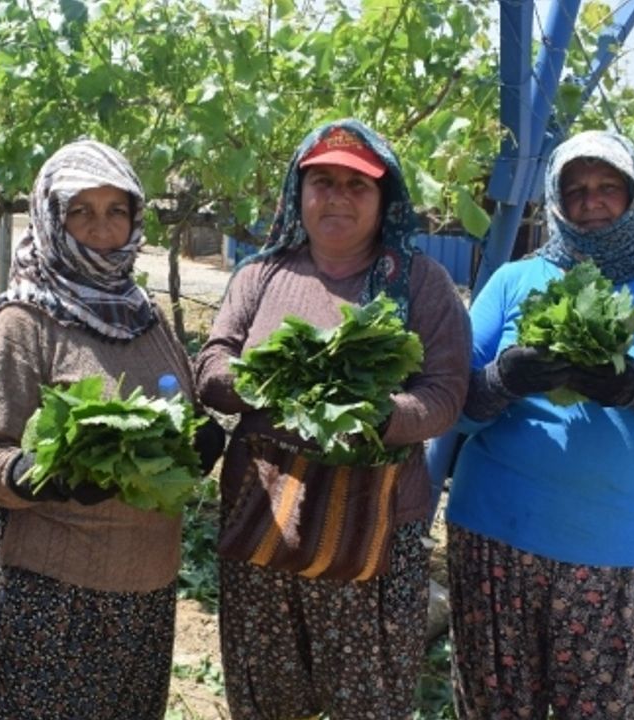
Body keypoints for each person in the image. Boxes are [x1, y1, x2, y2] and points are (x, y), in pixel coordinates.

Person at [445, 130, 634, 719]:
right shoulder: (514, 280)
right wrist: (505, 379)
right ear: (556, 200)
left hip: (627, 557)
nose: (592, 199)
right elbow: (449, 406)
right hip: (497, 541)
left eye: (609, 186)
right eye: (575, 188)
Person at [193, 118, 472, 719]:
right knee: (267, 692)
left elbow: (446, 393)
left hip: (377, 524)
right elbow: (213, 363)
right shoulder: (260, 274)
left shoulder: (420, 283)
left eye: (357, 185)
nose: (337, 197)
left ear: (384, 197)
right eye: (322, 182)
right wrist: (263, 381)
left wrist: (378, 415)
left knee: (366, 698)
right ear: (299, 193)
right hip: (265, 516)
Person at [0, 139, 224, 719]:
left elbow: (176, 404)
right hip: (51, 595)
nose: (101, 228)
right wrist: (44, 477)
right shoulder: (22, 322)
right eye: (81, 210)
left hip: (147, 584)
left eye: (116, 210)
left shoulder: (144, 313)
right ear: (53, 219)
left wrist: (199, 437)